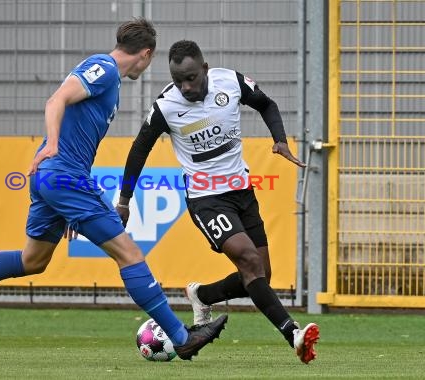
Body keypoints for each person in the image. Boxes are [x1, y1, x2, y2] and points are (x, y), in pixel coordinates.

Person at [0, 21, 227, 361]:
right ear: (146, 53)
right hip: (63, 175)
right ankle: (181, 337)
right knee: (130, 255)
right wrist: (51, 144)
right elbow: (56, 100)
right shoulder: (105, 68)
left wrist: (65, 197)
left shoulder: (109, 78)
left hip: (55, 180)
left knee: (32, 260)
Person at [116, 40, 319, 364]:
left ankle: (202, 295)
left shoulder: (231, 83)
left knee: (260, 274)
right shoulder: (166, 107)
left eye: (192, 78)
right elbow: (139, 150)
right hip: (206, 199)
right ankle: (293, 333)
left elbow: (266, 104)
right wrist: (124, 199)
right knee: (250, 260)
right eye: (179, 79)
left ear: (205, 69)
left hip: (242, 191)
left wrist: (279, 139)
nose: (186, 86)